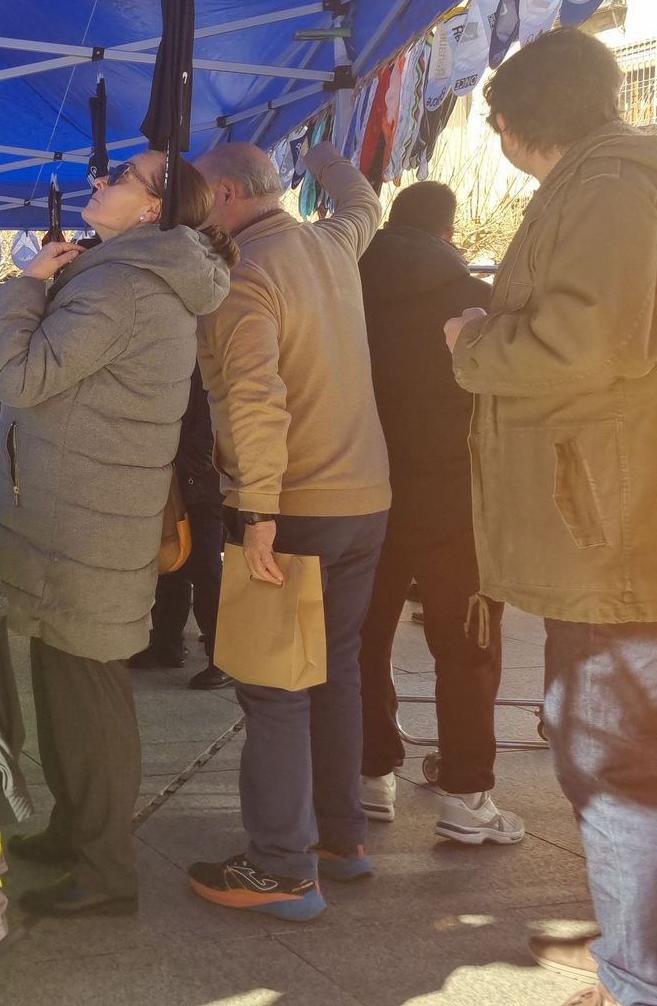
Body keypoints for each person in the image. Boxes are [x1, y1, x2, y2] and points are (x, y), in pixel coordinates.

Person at [445, 28, 657, 1006]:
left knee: (611, 767)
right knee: (640, 762)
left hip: (618, 536)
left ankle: (639, 987)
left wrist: (472, 340)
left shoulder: (609, 190)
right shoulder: (634, 177)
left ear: (509, 125)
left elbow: (583, 344)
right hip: (636, 524)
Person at [0, 149, 235, 918]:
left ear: (154, 209)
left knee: (86, 695)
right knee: (69, 687)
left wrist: (22, 287)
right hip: (84, 513)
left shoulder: (124, 286)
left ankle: (104, 867)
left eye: (119, 177)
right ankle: (76, 832)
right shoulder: (129, 277)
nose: (99, 182)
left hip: (81, 522)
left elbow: (22, 379)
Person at [187, 142, 389, 922]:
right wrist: (329, 156)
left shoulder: (243, 274)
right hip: (365, 498)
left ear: (230, 194)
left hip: (292, 504)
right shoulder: (330, 243)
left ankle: (279, 867)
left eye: (202, 199)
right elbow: (364, 203)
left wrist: (259, 511)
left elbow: (255, 400)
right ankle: (343, 839)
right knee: (334, 671)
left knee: (274, 688)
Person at [356, 181, 522, 843]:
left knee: (364, 640)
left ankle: (371, 777)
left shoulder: (348, 295)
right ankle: (466, 796)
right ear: (450, 234)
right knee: (466, 648)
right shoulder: (473, 300)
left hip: (366, 490)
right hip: (457, 500)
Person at [130, 366, 231, 690]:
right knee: (172, 564)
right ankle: (167, 645)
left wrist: (179, 468)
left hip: (198, 484)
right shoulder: (177, 357)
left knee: (205, 571)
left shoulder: (202, 362)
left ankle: (224, 659)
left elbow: (210, 430)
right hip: (178, 480)